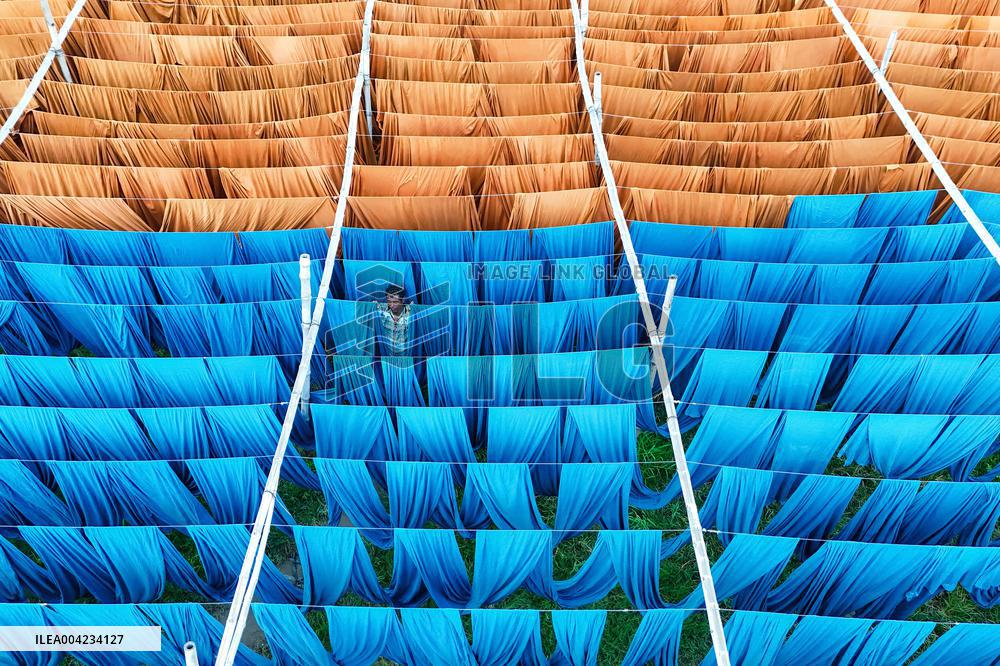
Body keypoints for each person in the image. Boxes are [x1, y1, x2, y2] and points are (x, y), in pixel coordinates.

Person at [376, 284, 411, 355]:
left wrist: (414, 310)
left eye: (395, 302)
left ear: (403, 300)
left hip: (405, 357)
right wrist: (371, 306)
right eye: (389, 301)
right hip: (386, 356)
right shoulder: (381, 310)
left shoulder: (410, 313)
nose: (391, 305)